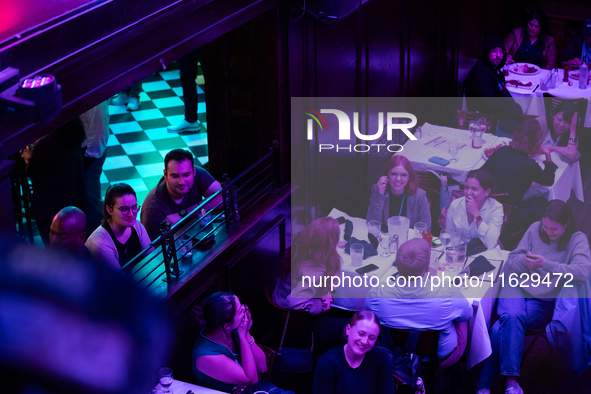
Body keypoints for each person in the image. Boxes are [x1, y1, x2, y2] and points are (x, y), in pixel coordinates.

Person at [476, 200, 591, 394]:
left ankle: (483, 385)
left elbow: (582, 273)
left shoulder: (577, 239)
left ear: (566, 224)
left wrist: (545, 264)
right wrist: (523, 261)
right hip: (515, 286)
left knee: (500, 328)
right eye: (545, 226)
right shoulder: (534, 229)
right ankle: (511, 384)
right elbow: (512, 260)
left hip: (543, 299)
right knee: (512, 317)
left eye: (553, 229)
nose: (547, 232)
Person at [366, 238, 472, 369]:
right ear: (427, 268)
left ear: (397, 265)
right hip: (436, 360)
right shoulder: (447, 293)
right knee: (463, 316)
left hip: (391, 355)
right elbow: (468, 315)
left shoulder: (376, 293)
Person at [192, 292, 293, 394]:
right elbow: (251, 379)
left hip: (250, 389)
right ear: (226, 326)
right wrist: (242, 336)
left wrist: (246, 333)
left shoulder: (231, 330)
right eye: (240, 310)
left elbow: (263, 367)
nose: (245, 309)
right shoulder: (205, 356)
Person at [273, 217, 349, 350]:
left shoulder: (299, 248)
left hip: (283, 318)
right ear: (331, 242)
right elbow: (295, 302)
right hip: (300, 328)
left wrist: (326, 292)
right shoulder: (314, 268)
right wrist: (322, 304)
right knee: (356, 327)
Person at [480, 119, 557, 246]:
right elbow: (549, 180)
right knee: (542, 202)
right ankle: (528, 242)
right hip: (507, 217)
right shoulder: (530, 165)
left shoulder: (502, 151)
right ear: (535, 142)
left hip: (484, 208)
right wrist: (548, 155)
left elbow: (482, 172)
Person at [21, 118, 88, 245]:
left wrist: (26, 156)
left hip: (49, 206)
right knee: (72, 247)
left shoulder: (45, 143)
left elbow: (30, 171)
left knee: (53, 248)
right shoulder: (75, 134)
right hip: (73, 200)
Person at [141, 149, 222, 240]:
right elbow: (153, 251)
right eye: (175, 176)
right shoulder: (153, 210)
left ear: (193, 171)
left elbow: (224, 196)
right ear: (165, 174)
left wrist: (183, 214)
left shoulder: (198, 174)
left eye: (186, 175)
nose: (182, 182)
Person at [313, 311, 394, 394]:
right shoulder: (328, 362)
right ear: (348, 329)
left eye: (371, 338)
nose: (365, 342)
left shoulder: (382, 359)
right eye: (361, 334)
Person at [464, 36, 524, 137]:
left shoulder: (494, 70)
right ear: (486, 52)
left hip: (496, 117)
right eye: (494, 51)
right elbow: (491, 105)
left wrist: (515, 109)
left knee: (526, 127)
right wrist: (514, 112)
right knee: (523, 136)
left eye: (501, 52)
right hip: (485, 122)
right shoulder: (480, 74)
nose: (498, 55)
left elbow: (504, 94)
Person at [86, 183, 151, 269]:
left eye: (134, 207)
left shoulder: (136, 225)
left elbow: (152, 259)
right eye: (124, 209)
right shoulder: (100, 242)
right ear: (109, 209)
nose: (131, 214)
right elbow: (120, 280)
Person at [366, 155, 431, 230]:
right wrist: (380, 195)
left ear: (409, 177)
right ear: (387, 175)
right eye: (393, 174)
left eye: (403, 175)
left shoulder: (420, 196)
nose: (398, 179)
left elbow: (426, 228)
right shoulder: (377, 190)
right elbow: (372, 222)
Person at [446, 169, 504, 250]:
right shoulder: (455, 205)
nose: (468, 192)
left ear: (487, 192)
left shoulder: (496, 208)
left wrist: (477, 215)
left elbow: (491, 244)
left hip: (483, 253)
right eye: (466, 187)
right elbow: (448, 236)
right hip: (459, 251)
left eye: (474, 189)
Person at [80, 100, 110, 235]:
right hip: (84, 152)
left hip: (89, 153)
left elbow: (99, 131)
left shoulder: (94, 96)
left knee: (90, 202)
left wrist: (90, 157)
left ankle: (98, 243)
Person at [167, 47, 205, 133]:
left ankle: (216, 121)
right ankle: (190, 119)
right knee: (186, 79)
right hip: (186, 40)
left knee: (213, 81)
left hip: (205, 39)